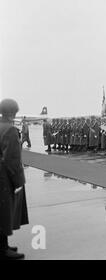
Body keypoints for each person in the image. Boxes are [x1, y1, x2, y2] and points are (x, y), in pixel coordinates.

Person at [0, 98, 29, 260]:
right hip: (4, 178)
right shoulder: (10, 130)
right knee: (5, 213)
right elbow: (12, 159)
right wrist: (18, 182)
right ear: (13, 112)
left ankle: (4, 245)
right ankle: (3, 249)